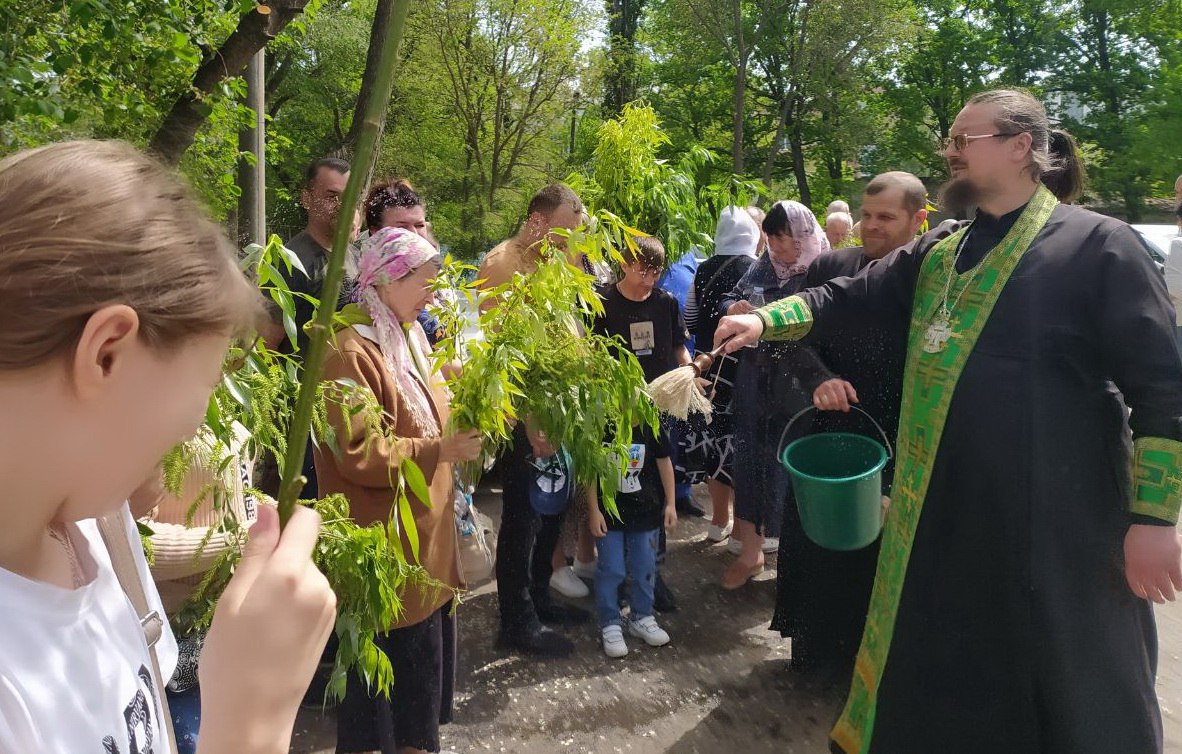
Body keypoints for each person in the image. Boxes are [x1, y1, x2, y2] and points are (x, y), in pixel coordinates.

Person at [717, 88, 1182, 754]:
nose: (950, 152)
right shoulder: (942, 250)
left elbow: (1162, 389)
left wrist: (1154, 520)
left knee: (1068, 688)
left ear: (1021, 146)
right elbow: (846, 295)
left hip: (1059, 532)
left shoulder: (1098, 247)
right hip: (946, 520)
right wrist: (763, 320)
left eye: (965, 140)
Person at [0, 139, 335, 753]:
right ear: (108, 353)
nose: (193, 427)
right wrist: (250, 725)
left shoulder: (99, 532)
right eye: (203, 386)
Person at [315, 227, 482, 754]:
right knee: (382, 692)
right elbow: (358, 451)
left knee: (418, 685)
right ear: (387, 280)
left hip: (423, 545)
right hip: (385, 551)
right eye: (426, 282)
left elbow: (424, 410)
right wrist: (440, 451)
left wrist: (452, 388)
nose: (434, 294)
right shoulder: (348, 350)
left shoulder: (403, 332)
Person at [769, 171, 933, 672]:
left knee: (885, 550)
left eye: (886, 217)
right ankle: (814, 650)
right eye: (866, 215)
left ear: (919, 219)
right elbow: (794, 339)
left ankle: (878, 663)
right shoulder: (831, 265)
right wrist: (819, 377)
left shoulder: (936, 277)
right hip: (831, 425)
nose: (871, 227)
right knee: (820, 541)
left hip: (902, 432)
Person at [477, 184, 588, 657]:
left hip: (559, 409)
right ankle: (517, 619)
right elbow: (501, 354)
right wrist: (531, 419)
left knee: (552, 511)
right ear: (538, 222)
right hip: (526, 414)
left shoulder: (553, 262)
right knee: (523, 517)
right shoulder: (505, 264)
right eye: (566, 233)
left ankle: (540, 599)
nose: (570, 245)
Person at [718, 201, 830, 589]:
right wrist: (734, 305)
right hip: (755, 381)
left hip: (798, 386)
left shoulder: (822, 270)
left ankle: (792, 561)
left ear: (800, 235)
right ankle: (751, 553)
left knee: (790, 468)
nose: (777, 247)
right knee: (749, 462)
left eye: (783, 239)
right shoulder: (761, 266)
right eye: (771, 238)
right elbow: (726, 299)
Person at [133, 426, 259, 754]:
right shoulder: (154, 417)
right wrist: (239, 541)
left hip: (231, 630)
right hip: (182, 638)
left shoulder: (233, 395)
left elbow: (240, 498)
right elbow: (138, 542)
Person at [591, 235, 692, 610]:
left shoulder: (665, 303)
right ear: (624, 264)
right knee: (618, 485)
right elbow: (590, 354)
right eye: (642, 270)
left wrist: (690, 372)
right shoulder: (602, 302)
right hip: (614, 410)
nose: (649, 279)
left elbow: (680, 346)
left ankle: (653, 575)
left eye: (656, 272)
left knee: (654, 487)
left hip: (657, 406)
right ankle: (615, 575)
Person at [683, 207, 761, 543]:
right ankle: (742, 534)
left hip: (707, 368)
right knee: (742, 447)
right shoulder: (758, 269)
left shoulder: (703, 269)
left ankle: (717, 521)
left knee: (714, 443)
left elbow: (689, 317)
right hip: (744, 372)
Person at [587, 424, 678, 658]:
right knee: (612, 569)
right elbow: (589, 469)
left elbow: (664, 461)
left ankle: (642, 616)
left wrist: (671, 503)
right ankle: (610, 621)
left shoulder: (650, 423)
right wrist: (594, 510)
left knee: (645, 567)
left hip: (646, 513)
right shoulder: (599, 422)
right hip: (610, 515)